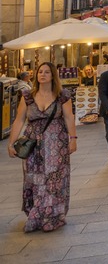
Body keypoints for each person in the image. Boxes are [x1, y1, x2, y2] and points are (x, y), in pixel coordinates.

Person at [7, 62, 77, 232]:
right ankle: (36, 214)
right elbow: (19, 120)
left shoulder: (63, 96)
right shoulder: (27, 96)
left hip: (57, 145)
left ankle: (52, 216)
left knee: (54, 181)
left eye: (46, 72)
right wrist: (11, 143)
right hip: (33, 147)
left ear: (53, 75)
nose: (42, 75)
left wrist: (73, 138)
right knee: (35, 179)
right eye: (40, 72)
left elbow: (69, 118)